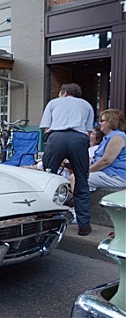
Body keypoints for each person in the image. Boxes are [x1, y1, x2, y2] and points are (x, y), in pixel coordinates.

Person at [40, 83, 94, 236]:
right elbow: (88, 132)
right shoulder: (87, 105)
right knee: (81, 181)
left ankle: (47, 221)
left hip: (56, 138)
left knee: (48, 179)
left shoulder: (53, 103)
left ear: (64, 92)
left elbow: (46, 129)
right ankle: (84, 226)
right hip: (79, 139)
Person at [87, 109, 126, 190]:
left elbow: (106, 161)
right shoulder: (107, 137)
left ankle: (79, 202)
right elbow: (97, 159)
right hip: (106, 173)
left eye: (102, 120)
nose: (99, 123)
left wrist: (88, 170)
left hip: (116, 176)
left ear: (112, 121)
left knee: (78, 178)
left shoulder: (118, 137)